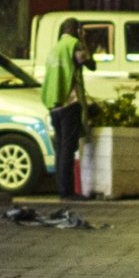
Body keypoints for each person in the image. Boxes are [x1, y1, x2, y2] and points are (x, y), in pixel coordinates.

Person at [38, 18, 89, 200]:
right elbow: (87, 62)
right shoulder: (73, 44)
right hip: (69, 102)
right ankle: (67, 191)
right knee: (68, 148)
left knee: (60, 148)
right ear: (76, 30)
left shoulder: (55, 48)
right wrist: (83, 40)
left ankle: (61, 188)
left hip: (54, 103)